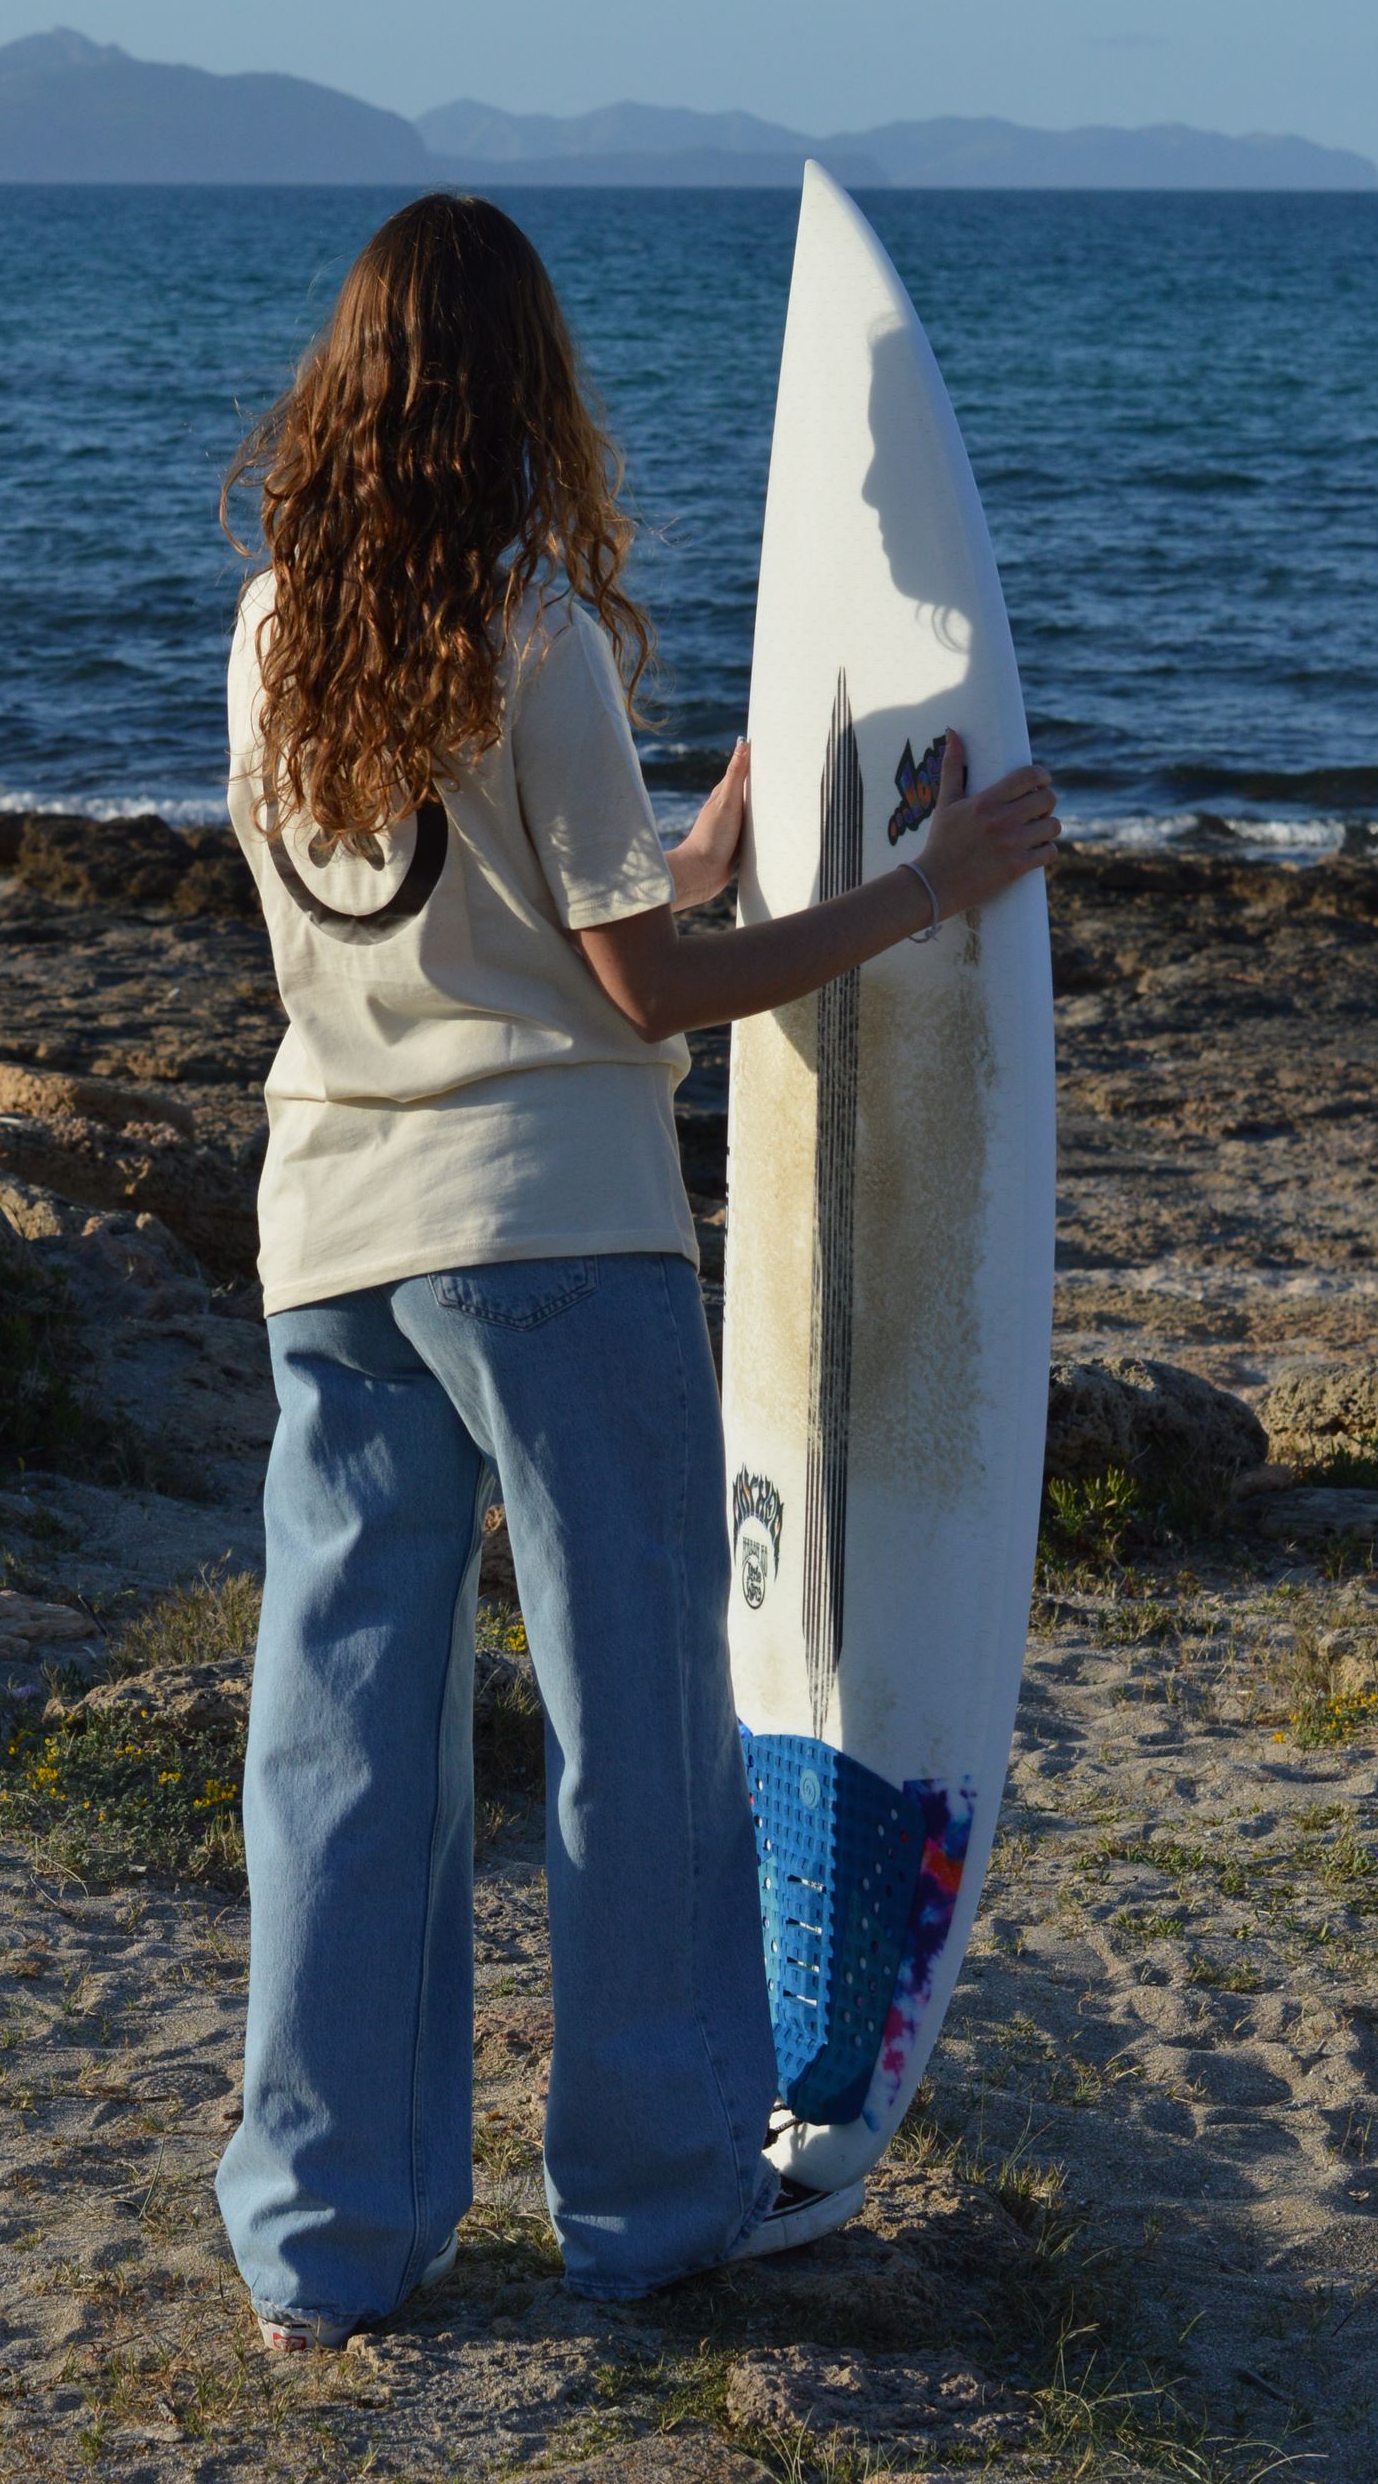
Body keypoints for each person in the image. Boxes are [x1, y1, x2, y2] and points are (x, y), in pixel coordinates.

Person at [213, 192, 1058, 2352]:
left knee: (341, 1738)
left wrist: (697, 836)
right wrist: (921, 884)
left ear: (347, 379)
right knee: (639, 1734)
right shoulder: (530, 633)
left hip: (333, 1245)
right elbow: (644, 995)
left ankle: (329, 2232)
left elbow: (493, 934)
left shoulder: (277, 629)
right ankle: (654, 2201)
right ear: (523, 387)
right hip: (556, 1246)